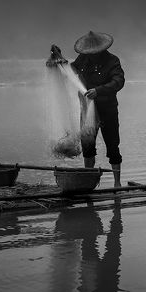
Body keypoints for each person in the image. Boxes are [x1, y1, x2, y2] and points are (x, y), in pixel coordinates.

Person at [47, 31, 125, 186]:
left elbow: (118, 81)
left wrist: (98, 91)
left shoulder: (112, 61)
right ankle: (89, 181)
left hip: (107, 110)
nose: (91, 55)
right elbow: (70, 71)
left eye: (94, 53)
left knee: (112, 146)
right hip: (86, 109)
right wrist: (59, 57)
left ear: (102, 50)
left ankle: (117, 183)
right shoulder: (83, 58)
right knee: (87, 146)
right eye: (89, 53)